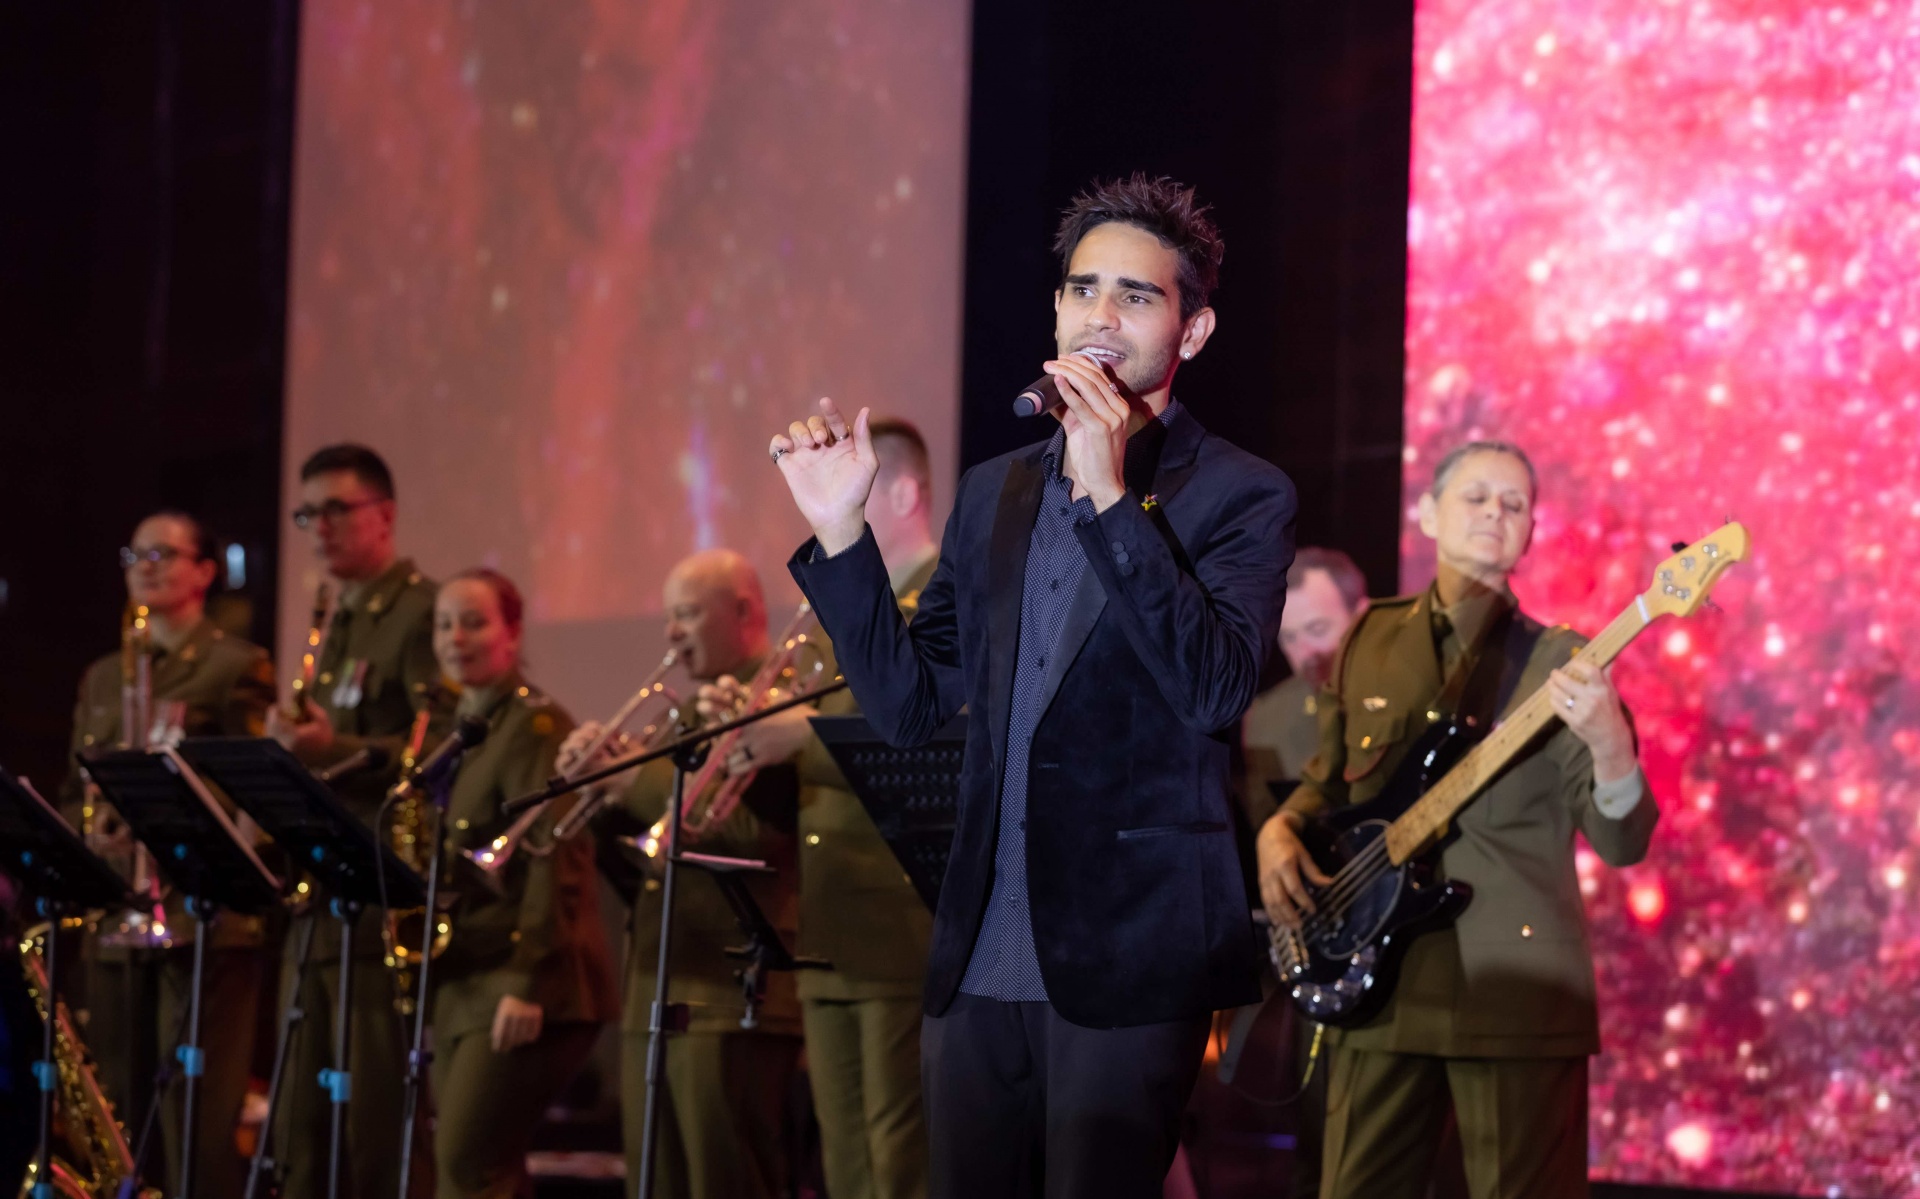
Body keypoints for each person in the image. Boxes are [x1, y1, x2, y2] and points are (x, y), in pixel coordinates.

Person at [769, 175, 1298, 1198]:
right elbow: (911, 707)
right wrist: (842, 534)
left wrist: (1108, 491)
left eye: (1136, 296)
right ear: (1055, 310)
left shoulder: (1241, 492)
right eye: (1082, 290)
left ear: (1191, 331)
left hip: (1130, 961)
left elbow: (1213, 688)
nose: (1101, 315)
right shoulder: (994, 489)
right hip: (980, 951)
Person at [1255, 441, 1660, 1199]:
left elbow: (1622, 839)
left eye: (1514, 504)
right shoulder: (1369, 638)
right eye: (1476, 496)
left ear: (1530, 532)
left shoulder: (1566, 659)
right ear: (1428, 513)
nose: (1494, 513)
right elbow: (1325, 784)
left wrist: (1611, 744)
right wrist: (1278, 829)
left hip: (1514, 992)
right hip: (1380, 987)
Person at [726, 418, 939, 1199]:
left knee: (898, 1147)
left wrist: (803, 736)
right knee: (843, 1147)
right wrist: (749, 742)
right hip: (832, 911)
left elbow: (930, 739)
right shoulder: (841, 611)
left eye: (857, 482)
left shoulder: (940, 594)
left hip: (900, 915)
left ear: (904, 493)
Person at [560, 549, 808, 1199]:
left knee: (726, 1183)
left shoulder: (777, 705)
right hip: (662, 979)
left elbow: (753, 837)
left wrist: (632, 782)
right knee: (655, 1181)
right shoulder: (691, 710)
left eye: (689, 613)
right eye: (669, 616)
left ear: (745, 612)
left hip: (730, 992)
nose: (671, 632)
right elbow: (649, 861)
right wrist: (600, 796)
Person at [58, 510, 275, 1199]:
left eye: (163, 554)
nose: (146, 567)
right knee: (120, 1117)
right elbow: (75, 787)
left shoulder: (234, 666)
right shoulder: (103, 675)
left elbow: (253, 796)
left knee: (194, 1123)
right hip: (117, 917)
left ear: (205, 570)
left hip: (199, 921)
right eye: (136, 555)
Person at [267, 444, 447, 1199]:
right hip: (320, 892)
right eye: (307, 513)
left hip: (377, 896)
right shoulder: (334, 616)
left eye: (335, 510)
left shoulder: (420, 612)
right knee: (297, 1127)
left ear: (385, 514)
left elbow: (439, 745)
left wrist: (329, 748)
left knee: (376, 1126)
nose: (318, 528)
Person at [424, 569, 619, 1199]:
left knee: (467, 1162)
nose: (456, 638)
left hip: (528, 978)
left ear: (512, 632)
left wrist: (526, 983)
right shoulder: (457, 726)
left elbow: (555, 858)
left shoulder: (536, 726)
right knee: (478, 1167)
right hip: (465, 974)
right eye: (444, 624)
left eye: (474, 622)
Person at [1241, 547, 1371, 832]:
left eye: (1317, 629)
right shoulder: (1265, 718)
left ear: (1362, 617)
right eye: (1289, 638)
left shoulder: (1408, 691)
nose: (1305, 653)